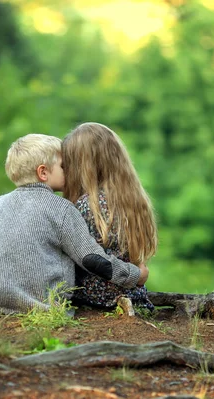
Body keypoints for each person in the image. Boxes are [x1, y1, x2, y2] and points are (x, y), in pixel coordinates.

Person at [0, 133, 149, 314]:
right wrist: (134, 275)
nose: (69, 171)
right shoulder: (62, 209)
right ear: (43, 172)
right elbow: (92, 259)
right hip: (41, 303)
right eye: (63, 166)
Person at [62, 122, 158, 312]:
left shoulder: (87, 205)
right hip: (133, 293)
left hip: (96, 299)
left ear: (81, 165)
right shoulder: (134, 199)